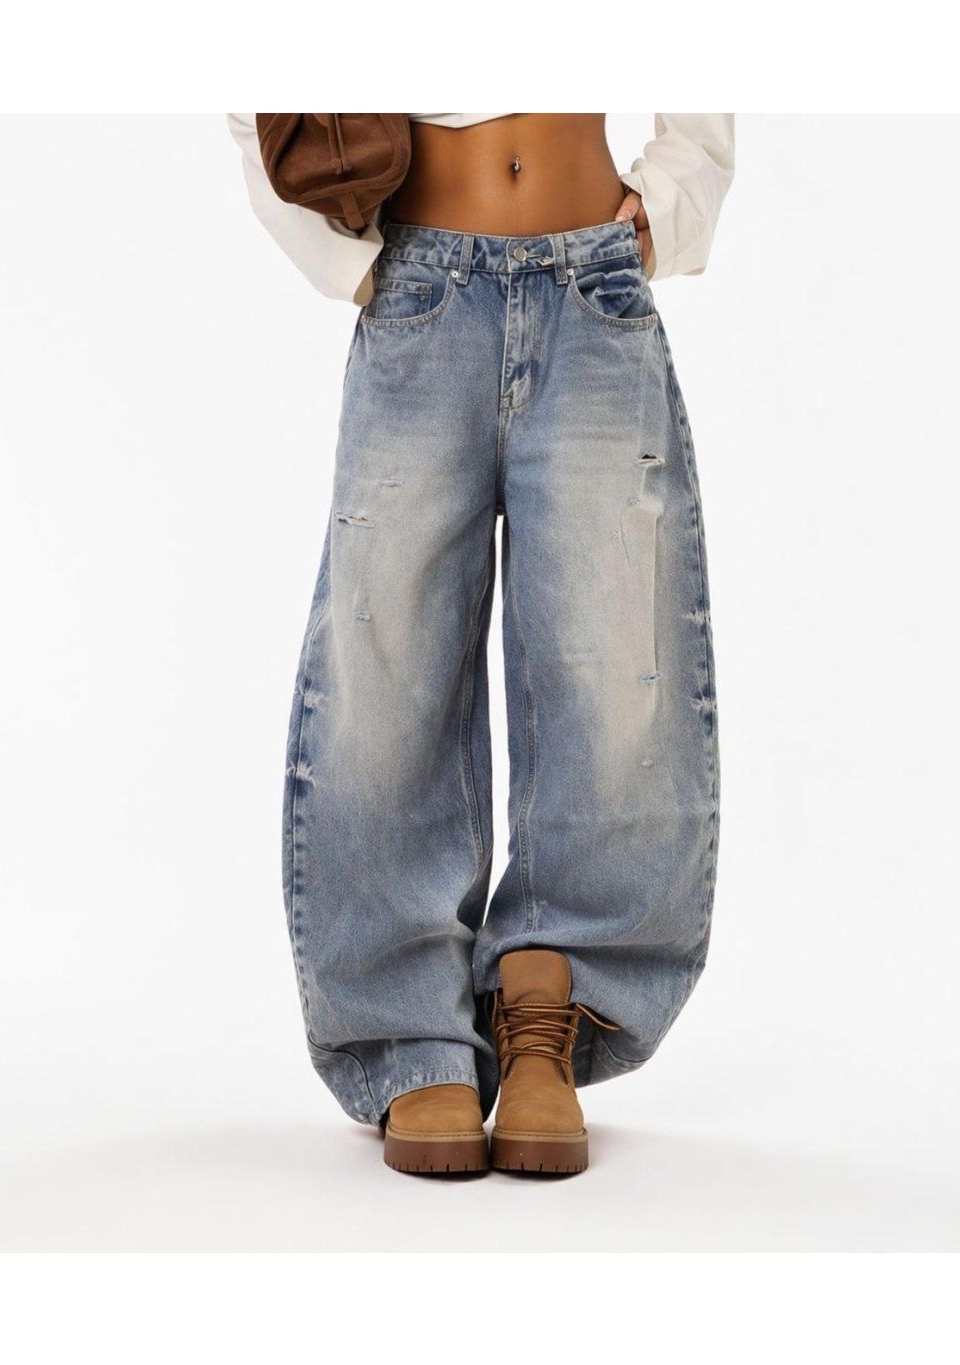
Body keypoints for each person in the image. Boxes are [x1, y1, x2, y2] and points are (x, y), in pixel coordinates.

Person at [228, 113, 734, 1176]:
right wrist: (350, 265)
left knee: (615, 662)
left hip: (594, 286)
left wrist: (671, 202)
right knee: (386, 669)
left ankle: (549, 1009)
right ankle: (411, 1034)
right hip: (420, 291)